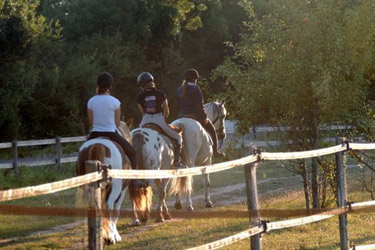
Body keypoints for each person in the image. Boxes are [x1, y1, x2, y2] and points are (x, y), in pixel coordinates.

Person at [87, 72, 137, 169]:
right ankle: (135, 179)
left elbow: (91, 122)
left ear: (98, 85)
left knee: (81, 151)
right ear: (110, 86)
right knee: (132, 152)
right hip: (111, 133)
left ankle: (79, 176)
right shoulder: (115, 102)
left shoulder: (91, 101)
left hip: (95, 134)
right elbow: (117, 123)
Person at [136, 72, 186, 169]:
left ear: (143, 85)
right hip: (159, 119)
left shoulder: (139, 96)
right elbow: (167, 111)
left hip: (145, 120)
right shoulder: (160, 93)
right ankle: (176, 162)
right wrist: (162, 120)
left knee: (136, 136)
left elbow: (142, 112)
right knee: (177, 138)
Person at [176, 68, 225, 157]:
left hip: (181, 116)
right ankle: (215, 151)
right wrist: (204, 117)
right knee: (212, 130)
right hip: (194, 116)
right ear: (194, 79)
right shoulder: (195, 88)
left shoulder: (179, 89)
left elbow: (178, 106)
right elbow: (200, 105)